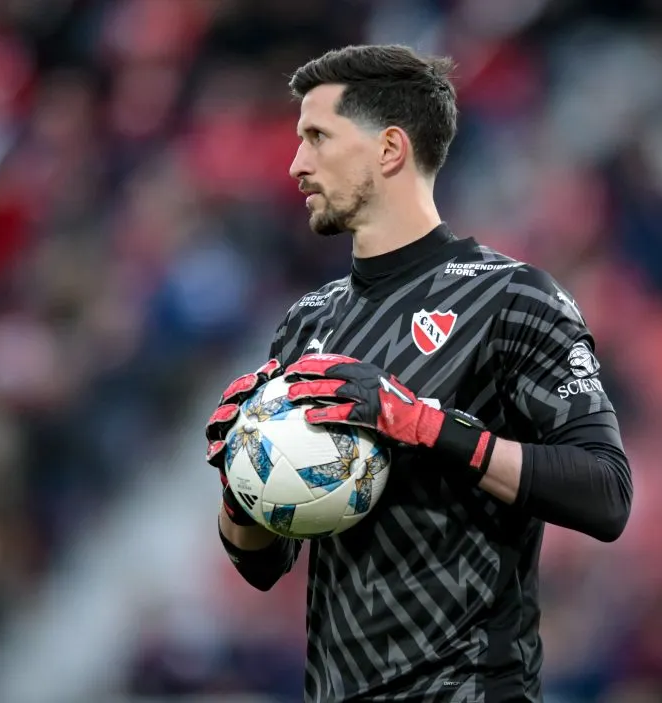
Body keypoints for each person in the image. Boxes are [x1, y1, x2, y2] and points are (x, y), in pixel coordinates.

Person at [204, 44, 633, 703]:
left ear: (389, 150)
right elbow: (262, 563)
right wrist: (243, 476)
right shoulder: (306, 323)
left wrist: (430, 428)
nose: (296, 165)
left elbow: (606, 494)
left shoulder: (513, 298)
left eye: (318, 138)